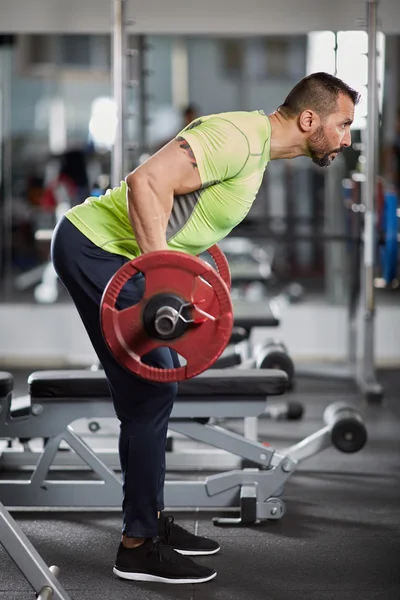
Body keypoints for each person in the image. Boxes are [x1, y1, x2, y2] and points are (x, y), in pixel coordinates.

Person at [51, 72, 359, 585]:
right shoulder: (238, 138)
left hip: (109, 252)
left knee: (150, 391)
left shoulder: (256, 153)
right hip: (96, 249)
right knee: (152, 388)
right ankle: (137, 546)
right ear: (310, 120)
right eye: (343, 124)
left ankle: (146, 522)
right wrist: (157, 281)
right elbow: (147, 183)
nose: (348, 137)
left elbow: (182, 222)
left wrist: (181, 271)